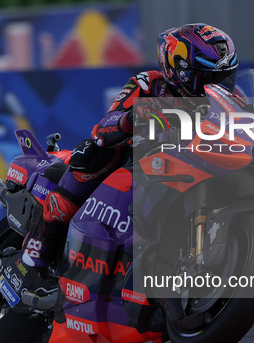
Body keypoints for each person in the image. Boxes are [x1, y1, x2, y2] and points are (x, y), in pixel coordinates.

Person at [20, 23, 239, 285]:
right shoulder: (150, 84)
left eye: (224, 77)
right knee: (92, 153)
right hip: (133, 163)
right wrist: (131, 118)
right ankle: (39, 246)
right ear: (178, 69)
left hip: (187, 169)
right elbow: (104, 127)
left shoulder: (230, 102)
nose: (217, 86)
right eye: (208, 77)